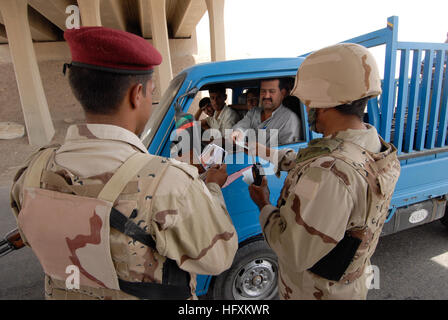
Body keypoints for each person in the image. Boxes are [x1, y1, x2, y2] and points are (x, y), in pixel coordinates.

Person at [9, 26, 238, 300]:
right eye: (152, 93)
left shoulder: (31, 173)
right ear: (137, 94)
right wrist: (212, 189)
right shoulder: (170, 184)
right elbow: (218, 258)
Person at [248, 43, 401, 300]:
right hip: (348, 288)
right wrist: (267, 152)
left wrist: (263, 204)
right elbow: (317, 159)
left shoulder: (330, 172)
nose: (308, 108)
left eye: (309, 102)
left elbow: (293, 251)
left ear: (325, 103)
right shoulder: (370, 145)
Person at [231, 78, 301, 146]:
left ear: (282, 93)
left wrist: (262, 151)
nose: (266, 96)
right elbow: (242, 125)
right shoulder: (253, 112)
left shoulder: (290, 119)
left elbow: (288, 152)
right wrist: (238, 131)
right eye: (263, 91)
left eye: (272, 91)